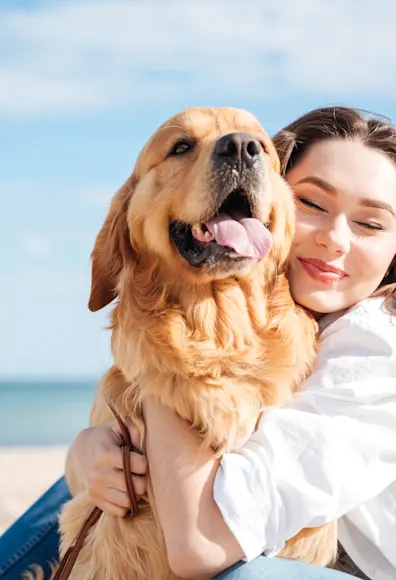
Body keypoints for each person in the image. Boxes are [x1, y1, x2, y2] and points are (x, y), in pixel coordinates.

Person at [1, 106, 395, 580]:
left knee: (244, 573)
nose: (335, 239)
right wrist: (82, 457)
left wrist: (157, 358)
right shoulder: (311, 314)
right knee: (96, 477)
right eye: (312, 203)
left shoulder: (375, 344)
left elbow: (202, 541)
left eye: (371, 224)